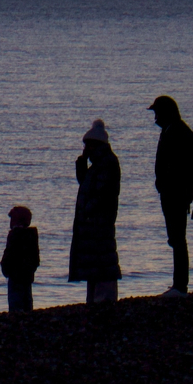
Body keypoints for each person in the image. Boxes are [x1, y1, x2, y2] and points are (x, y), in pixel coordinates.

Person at [148, 95, 193, 296]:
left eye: (157, 113)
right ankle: (178, 285)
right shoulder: (172, 130)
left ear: (166, 113)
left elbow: (177, 166)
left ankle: (180, 286)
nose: (155, 117)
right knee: (176, 238)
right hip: (173, 192)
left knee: (178, 238)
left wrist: (166, 183)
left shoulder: (177, 132)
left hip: (176, 193)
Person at [68, 119, 122, 303]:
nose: (86, 149)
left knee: (102, 263)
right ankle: (95, 300)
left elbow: (101, 194)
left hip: (99, 224)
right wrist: (82, 165)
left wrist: (89, 211)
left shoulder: (106, 164)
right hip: (94, 224)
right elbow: (87, 185)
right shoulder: (99, 164)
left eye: (88, 145)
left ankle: (104, 300)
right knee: (96, 264)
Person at [0, 206, 40, 312]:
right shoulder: (31, 235)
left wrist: (6, 267)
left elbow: (9, 253)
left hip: (16, 275)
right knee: (27, 302)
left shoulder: (14, 235)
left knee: (16, 305)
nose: (10, 222)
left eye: (12, 218)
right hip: (26, 274)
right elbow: (36, 258)